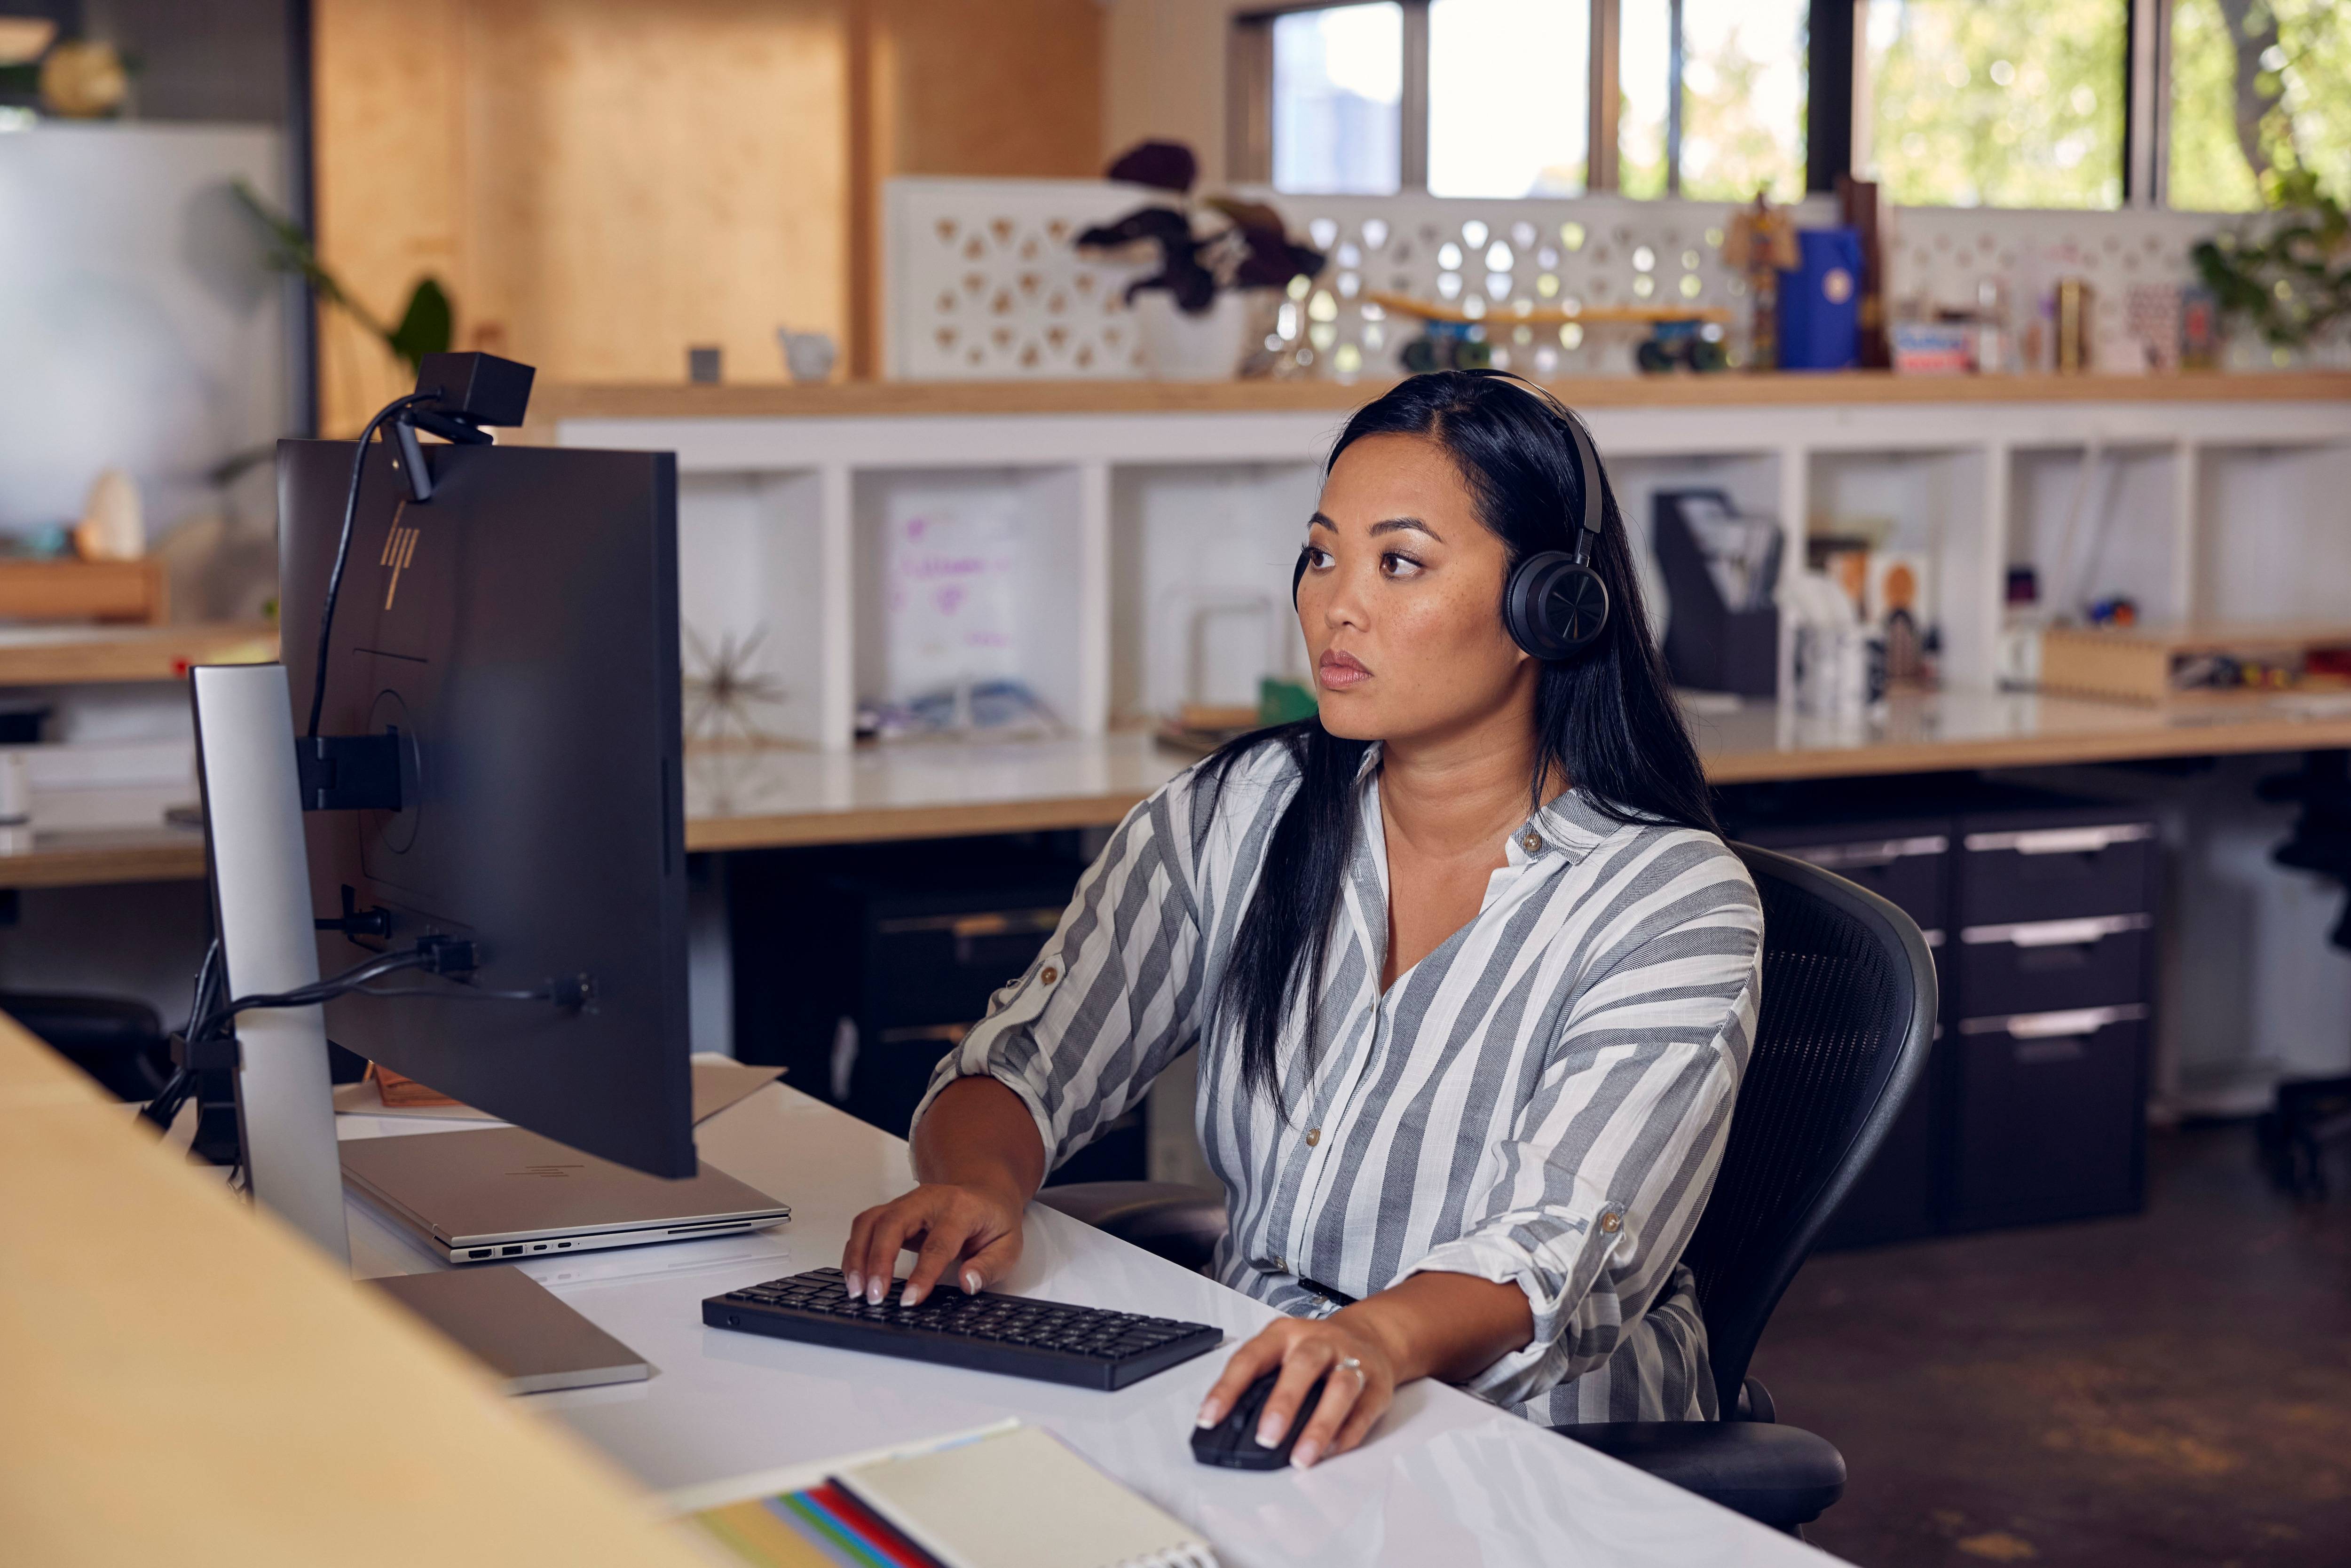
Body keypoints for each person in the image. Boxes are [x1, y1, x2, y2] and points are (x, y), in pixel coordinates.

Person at [842, 370, 1762, 1469]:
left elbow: (1553, 1254)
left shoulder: (1669, 901)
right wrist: (978, 1184)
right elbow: (1031, 1058)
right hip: (1269, 1396)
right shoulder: (1243, 809)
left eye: (1399, 563)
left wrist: (1371, 1336)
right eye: (1322, 554)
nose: (1338, 603)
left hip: (1536, 1452)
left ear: (1545, 608)